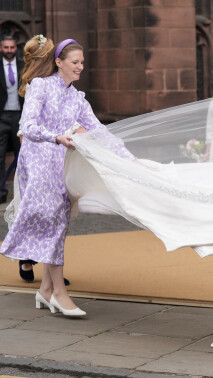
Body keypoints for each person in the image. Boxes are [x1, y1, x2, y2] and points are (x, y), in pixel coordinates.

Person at [0, 38, 134, 317]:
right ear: (59, 63)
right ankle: (60, 293)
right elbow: (28, 126)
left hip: (63, 164)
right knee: (51, 221)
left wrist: (130, 159)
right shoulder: (41, 86)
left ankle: (46, 291)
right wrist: (56, 136)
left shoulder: (78, 98)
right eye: (75, 62)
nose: (80, 67)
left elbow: (98, 130)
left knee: (59, 222)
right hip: (37, 160)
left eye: (82, 63)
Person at [8, 35, 72, 286]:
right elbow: (28, 124)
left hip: (53, 151)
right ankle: (27, 258)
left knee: (52, 213)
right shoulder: (34, 84)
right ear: (47, 59)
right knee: (31, 207)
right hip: (35, 152)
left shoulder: (55, 84)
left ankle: (51, 271)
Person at [0, 36, 24, 204]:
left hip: (20, 117)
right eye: (6, 47)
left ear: (16, 48)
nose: (9, 50)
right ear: (1, 48)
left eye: (12, 47)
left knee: (21, 156)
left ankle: (21, 193)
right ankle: (1, 192)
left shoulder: (23, 66)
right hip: (1, 117)